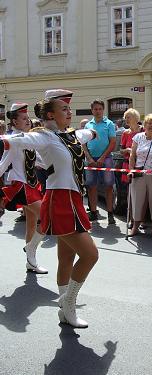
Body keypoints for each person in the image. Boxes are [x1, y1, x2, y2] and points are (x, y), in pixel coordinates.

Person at [0, 89, 99, 328]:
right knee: (90, 255)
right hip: (60, 201)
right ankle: (68, 303)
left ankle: (66, 311)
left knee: (66, 257)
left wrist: (95, 131)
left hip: (74, 199)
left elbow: (86, 133)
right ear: (51, 115)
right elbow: (20, 140)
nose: (69, 112)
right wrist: (5, 140)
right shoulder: (44, 136)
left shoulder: (71, 135)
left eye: (68, 108)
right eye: (63, 108)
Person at [0, 103, 47, 274]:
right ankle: (30, 249)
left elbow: (41, 161)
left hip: (33, 185)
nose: (28, 121)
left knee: (31, 225)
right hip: (21, 186)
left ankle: (31, 262)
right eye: (24, 118)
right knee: (46, 216)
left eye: (28, 118)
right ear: (14, 121)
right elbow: (3, 164)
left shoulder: (30, 138)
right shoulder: (14, 141)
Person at [128, 114, 152, 237]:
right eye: (149, 123)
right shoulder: (138, 137)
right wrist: (131, 170)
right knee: (137, 200)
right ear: (144, 125)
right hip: (139, 173)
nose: (151, 125)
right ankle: (135, 227)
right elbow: (132, 156)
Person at [83, 99, 116, 224]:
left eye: (100, 109)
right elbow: (83, 143)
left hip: (106, 158)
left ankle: (110, 213)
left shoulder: (109, 124)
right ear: (92, 110)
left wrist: (103, 157)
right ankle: (93, 212)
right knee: (91, 187)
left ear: (103, 110)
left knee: (108, 186)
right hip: (91, 159)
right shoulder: (88, 125)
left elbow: (113, 142)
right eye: (95, 109)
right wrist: (89, 158)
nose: (98, 111)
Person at [120, 108, 146, 229]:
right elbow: (121, 150)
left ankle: (141, 220)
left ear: (135, 118)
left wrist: (136, 151)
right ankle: (131, 219)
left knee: (143, 194)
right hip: (128, 165)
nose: (126, 119)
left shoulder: (143, 131)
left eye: (128, 117)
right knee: (130, 194)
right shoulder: (125, 133)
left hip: (141, 165)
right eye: (125, 117)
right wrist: (128, 150)